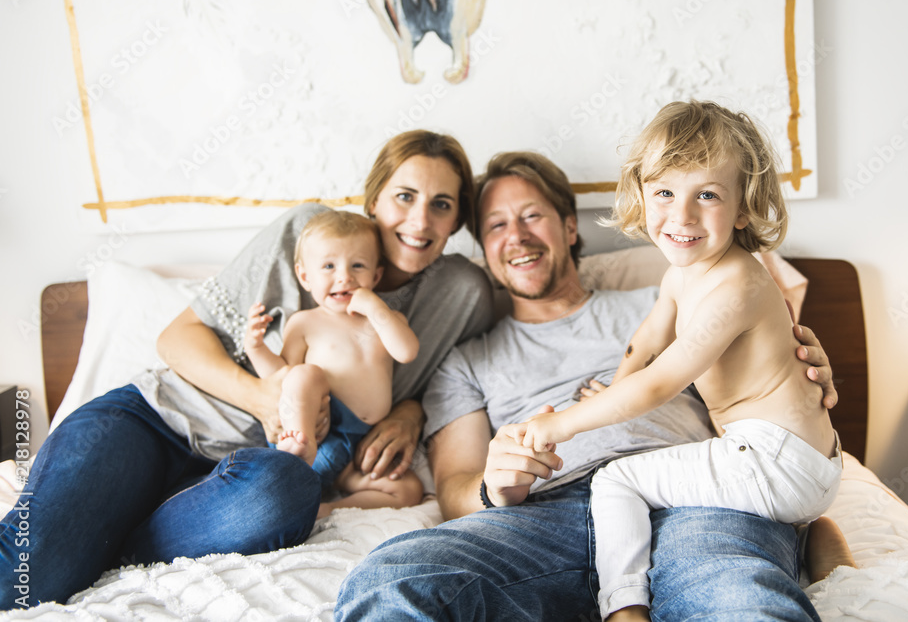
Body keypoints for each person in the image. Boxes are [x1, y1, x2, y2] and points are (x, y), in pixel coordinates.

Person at [334, 150, 841, 621]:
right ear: (483, 250)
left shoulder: (675, 298)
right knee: (391, 581)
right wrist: (495, 485)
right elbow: (453, 489)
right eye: (496, 225)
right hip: (543, 517)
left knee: (740, 602)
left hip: (688, 503)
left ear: (569, 226)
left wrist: (800, 370)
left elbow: (757, 385)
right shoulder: (464, 362)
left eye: (532, 216)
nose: (517, 235)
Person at [0, 130, 494, 608]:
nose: (421, 220)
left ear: (457, 223)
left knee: (283, 492)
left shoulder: (462, 293)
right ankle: (106, 527)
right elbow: (177, 338)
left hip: (254, 475)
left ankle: (126, 534)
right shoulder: (310, 235)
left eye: (442, 205)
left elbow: (453, 383)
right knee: (30, 571)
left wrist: (409, 413)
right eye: (404, 196)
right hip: (156, 421)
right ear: (374, 200)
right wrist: (262, 397)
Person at [513, 101, 842, 621]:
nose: (681, 215)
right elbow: (642, 348)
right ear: (642, 196)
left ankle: (623, 608)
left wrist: (561, 424)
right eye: (664, 192)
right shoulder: (678, 275)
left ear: (743, 209)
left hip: (775, 460)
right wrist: (614, 385)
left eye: (706, 195)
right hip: (796, 461)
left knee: (617, 481)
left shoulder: (739, 283)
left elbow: (658, 382)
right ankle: (812, 541)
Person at [244, 210, 423, 509]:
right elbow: (281, 378)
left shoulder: (385, 321)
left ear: (376, 275)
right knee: (304, 375)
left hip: (358, 452)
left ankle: (326, 509)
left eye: (358, 266)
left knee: (409, 490)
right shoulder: (305, 322)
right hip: (317, 433)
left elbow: (406, 352)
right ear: (305, 276)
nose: (344, 276)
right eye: (329, 266)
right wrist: (256, 348)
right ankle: (297, 449)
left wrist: (375, 307)